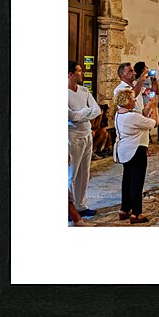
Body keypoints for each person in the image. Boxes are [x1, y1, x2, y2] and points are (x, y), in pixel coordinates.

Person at [113, 87, 158, 224]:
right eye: (132, 99)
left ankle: (125, 209)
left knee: (127, 180)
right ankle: (136, 213)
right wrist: (155, 107)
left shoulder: (120, 114)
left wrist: (148, 106)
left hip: (124, 150)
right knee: (137, 182)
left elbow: (141, 116)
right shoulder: (132, 117)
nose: (134, 101)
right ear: (127, 101)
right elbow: (154, 123)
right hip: (136, 150)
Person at [68, 61, 101, 217]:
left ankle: (81, 205)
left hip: (86, 132)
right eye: (79, 71)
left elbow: (97, 110)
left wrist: (81, 113)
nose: (82, 73)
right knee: (72, 173)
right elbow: (70, 116)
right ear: (70, 74)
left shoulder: (84, 90)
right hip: (72, 135)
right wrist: (86, 112)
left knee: (84, 172)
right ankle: (69, 208)